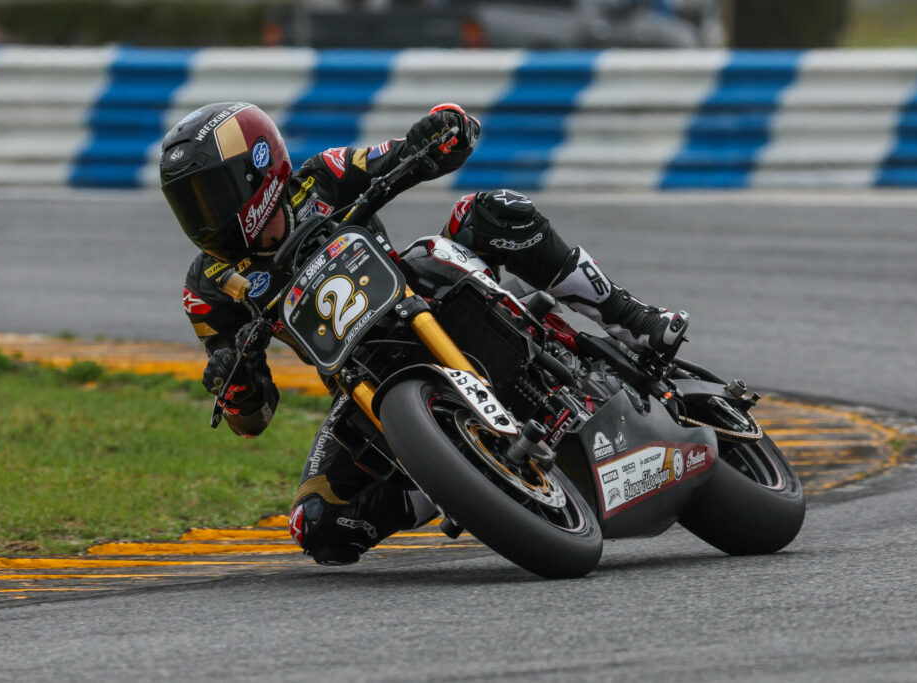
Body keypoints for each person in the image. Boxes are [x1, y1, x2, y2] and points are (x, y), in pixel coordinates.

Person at [160, 101, 689, 565]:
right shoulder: (206, 286)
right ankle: (455, 479)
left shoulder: (320, 176)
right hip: (364, 383)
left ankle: (633, 319)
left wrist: (438, 133)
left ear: (257, 172)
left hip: (432, 293)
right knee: (317, 524)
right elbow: (253, 418)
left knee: (490, 211)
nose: (201, 218)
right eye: (188, 204)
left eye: (209, 196)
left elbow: (404, 154)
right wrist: (234, 382)